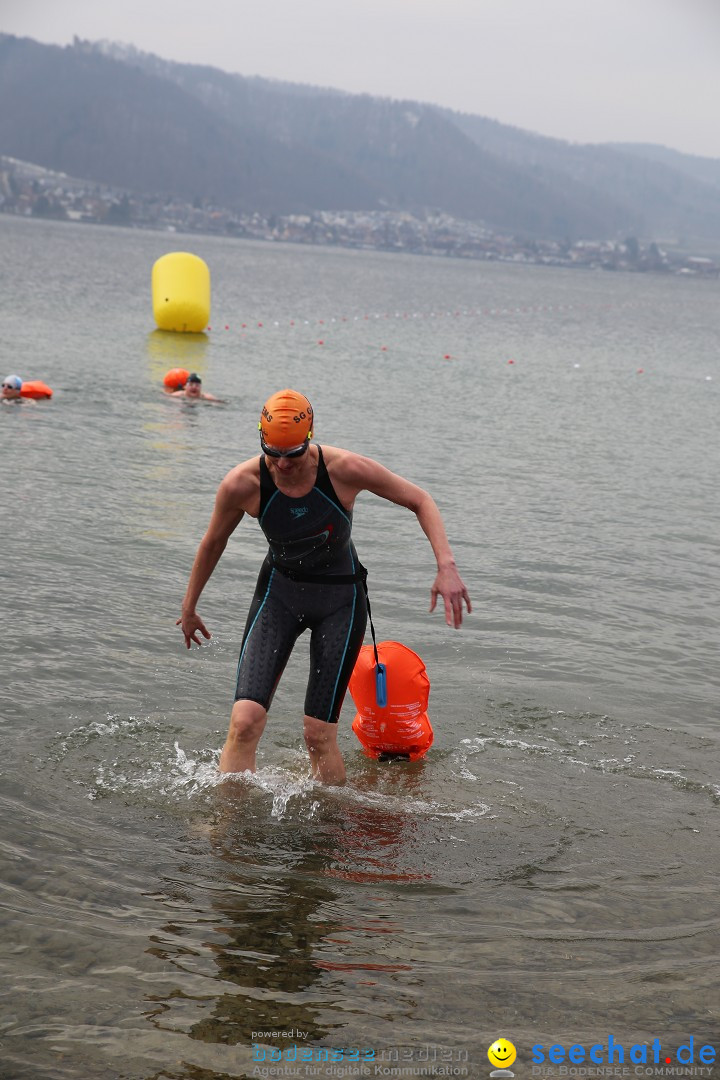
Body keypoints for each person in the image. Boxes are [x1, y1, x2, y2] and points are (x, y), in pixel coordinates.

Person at [177, 389, 471, 785]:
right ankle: (228, 832)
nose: (282, 464)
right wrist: (189, 606)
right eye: (272, 452)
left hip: (339, 601)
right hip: (278, 595)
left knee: (317, 735)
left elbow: (420, 499)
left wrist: (446, 566)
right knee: (244, 721)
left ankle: (328, 833)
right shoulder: (242, 484)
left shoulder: (345, 469)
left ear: (310, 436)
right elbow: (213, 542)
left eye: (294, 454)